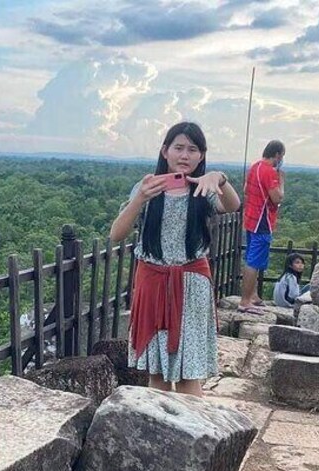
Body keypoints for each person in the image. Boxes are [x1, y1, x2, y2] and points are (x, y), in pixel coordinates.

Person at [110, 122, 240, 397]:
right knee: (156, 371)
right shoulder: (147, 187)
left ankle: (194, 434)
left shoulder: (203, 189)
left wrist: (220, 179)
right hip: (154, 282)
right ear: (164, 151)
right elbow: (116, 234)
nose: (185, 155)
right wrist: (141, 199)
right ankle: (162, 431)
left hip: (191, 285)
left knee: (187, 373)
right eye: (178, 147)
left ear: (202, 156)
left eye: (193, 149)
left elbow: (233, 206)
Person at [239, 140, 285, 314]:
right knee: (254, 261)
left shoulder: (255, 167)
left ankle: (253, 295)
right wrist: (281, 182)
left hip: (251, 218)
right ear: (278, 154)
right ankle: (245, 301)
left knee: (252, 257)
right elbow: (277, 198)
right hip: (262, 220)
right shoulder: (270, 172)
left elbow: (246, 189)